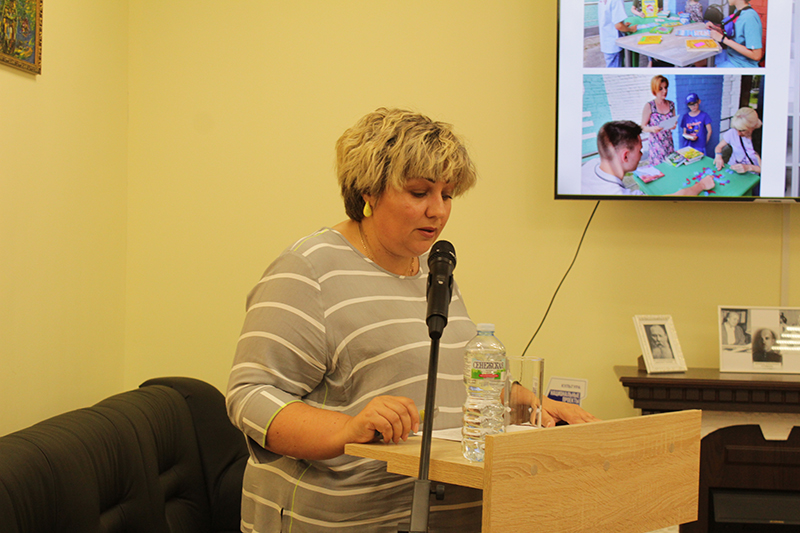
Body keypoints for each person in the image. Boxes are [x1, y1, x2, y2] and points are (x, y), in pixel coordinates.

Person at [226, 108, 598, 533]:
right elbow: (250, 396)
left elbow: (452, 378)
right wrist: (348, 428)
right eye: (420, 192)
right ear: (368, 191)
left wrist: (531, 404)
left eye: (448, 195)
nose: (437, 211)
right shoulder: (309, 269)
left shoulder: (432, 271)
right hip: (346, 520)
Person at [581, 120, 714, 196]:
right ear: (625, 156)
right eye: (639, 150)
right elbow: (672, 201)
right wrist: (702, 185)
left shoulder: (591, 164)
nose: (641, 154)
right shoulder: (623, 198)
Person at [706, 0, 763, 68]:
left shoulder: (750, 17)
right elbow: (735, 34)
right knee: (702, 61)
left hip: (740, 63)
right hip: (731, 55)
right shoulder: (738, 11)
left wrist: (723, 39)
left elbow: (756, 55)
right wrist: (716, 29)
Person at [713, 107, 762, 174]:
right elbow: (719, 147)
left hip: (751, 176)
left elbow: (766, 170)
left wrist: (748, 168)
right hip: (732, 170)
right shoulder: (732, 132)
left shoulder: (762, 140)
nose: (738, 134)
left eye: (742, 130)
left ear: (753, 127)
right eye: (736, 129)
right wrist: (718, 156)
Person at [642, 75, 677, 166]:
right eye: (660, 89)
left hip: (669, 143)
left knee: (670, 167)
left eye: (665, 87)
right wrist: (652, 129)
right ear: (655, 90)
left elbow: (673, 122)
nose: (664, 91)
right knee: (659, 169)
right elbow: (642, 127)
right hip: (656, 145)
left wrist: (673, 125)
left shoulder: (671, 104)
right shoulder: (650, 106)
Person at [598, 0, 637, 68]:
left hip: (606, 41)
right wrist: (631, 29)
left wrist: (624, 26)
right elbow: (618, 26)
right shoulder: (617, 1)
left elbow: (609, 18)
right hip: (614, 43)